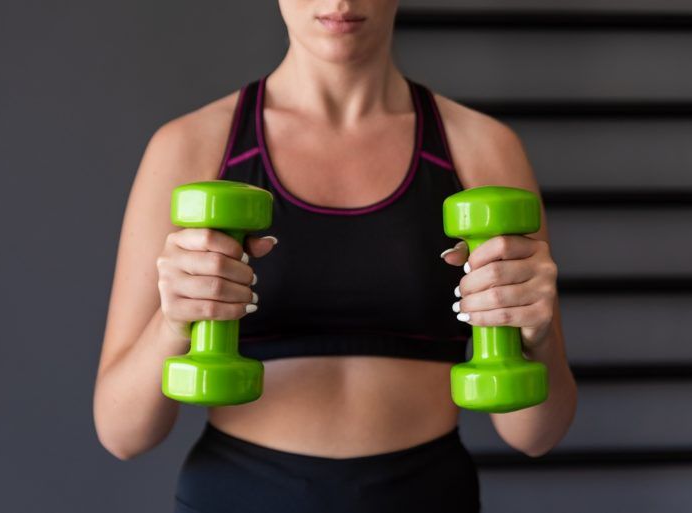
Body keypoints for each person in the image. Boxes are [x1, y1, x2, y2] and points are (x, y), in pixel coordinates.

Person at [92, 1, 577, 512]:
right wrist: (174, 322)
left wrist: (538, 336)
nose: (341, 1)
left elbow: (536, 435)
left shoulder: (484, 148)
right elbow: (123, 433)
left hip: (428, 496)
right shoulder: (190, 147)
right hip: (238, 496)